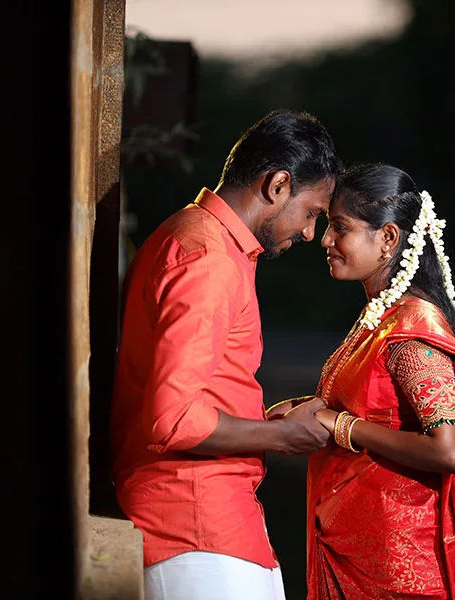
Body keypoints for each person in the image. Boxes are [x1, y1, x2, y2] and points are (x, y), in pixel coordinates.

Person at [110, 109, 341, 600]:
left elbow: (194, 394)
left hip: (215, 519)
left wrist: (265, 419)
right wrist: (281, 435)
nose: (309, 233)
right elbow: (173, 420)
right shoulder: (207, 257)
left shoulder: (206, 241)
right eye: (312, 213)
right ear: (278, 185)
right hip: (190, 521)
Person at [268, 163, 455, 599]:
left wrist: (341, 425)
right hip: (364, 546)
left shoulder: (410, 330)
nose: (325, 240)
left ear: (387, 238)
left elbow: (452, 450)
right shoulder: (381, 318)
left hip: (398, 567)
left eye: (339, 227)